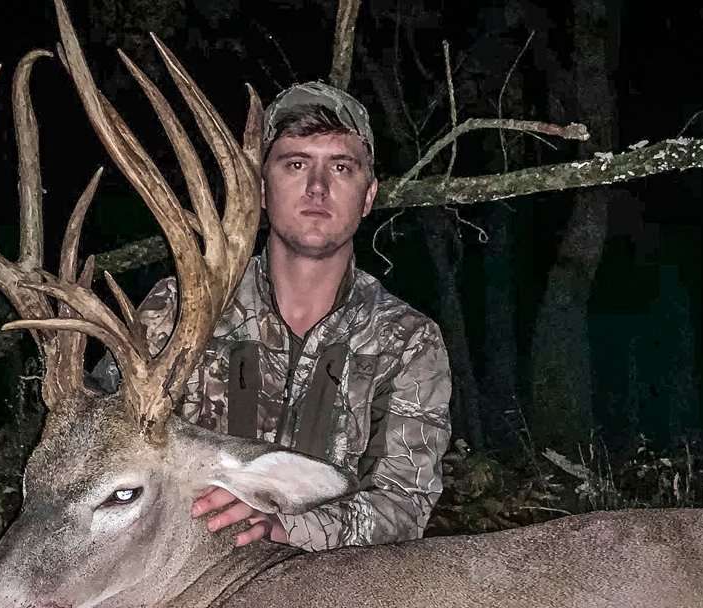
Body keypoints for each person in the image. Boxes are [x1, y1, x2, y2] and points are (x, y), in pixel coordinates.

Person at [94, 81, 452, 552]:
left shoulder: (406, 341)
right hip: (181, 568)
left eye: (341, 167)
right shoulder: (178, 311)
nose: (318, 187)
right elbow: (104, 441)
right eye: (296, 164)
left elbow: (405, 504)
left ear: (368, 196)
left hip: (334, 588)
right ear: (262, 190)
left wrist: (284, 528)